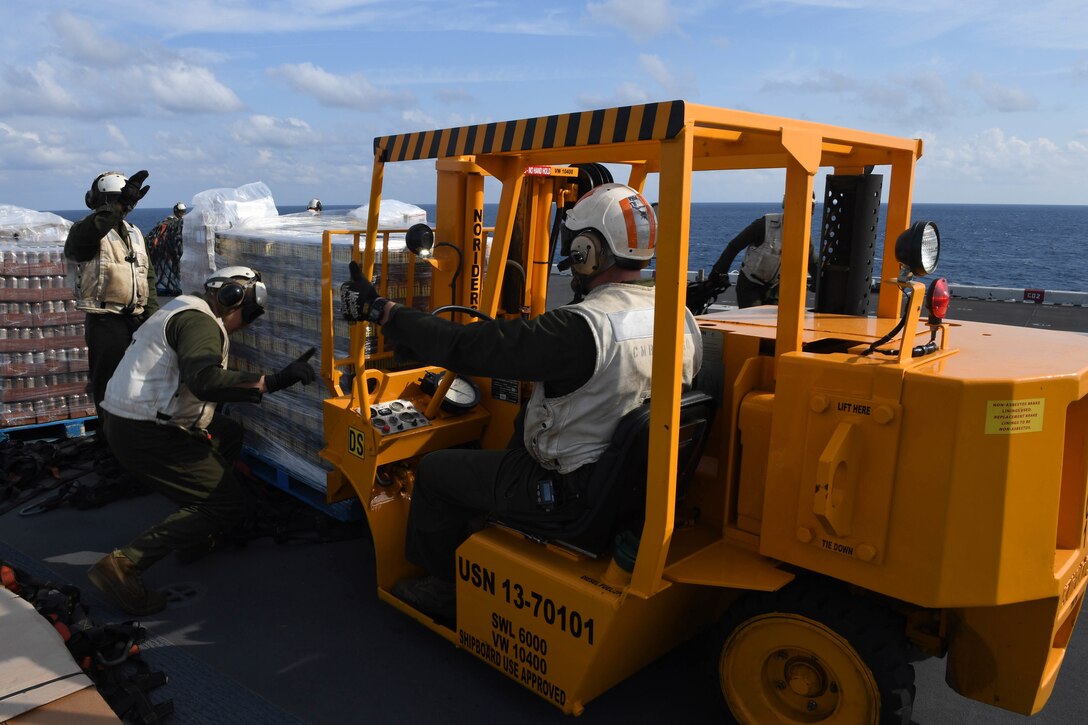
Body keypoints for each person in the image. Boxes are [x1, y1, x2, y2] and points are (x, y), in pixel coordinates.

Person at [340, 183, 703, 622]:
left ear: (588, 250)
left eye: (573, 245)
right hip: (626, 486)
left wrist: (384, 311)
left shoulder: (578, 330)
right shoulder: (679, 317)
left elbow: (466, 345)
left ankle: (442, 589)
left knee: (435, 473)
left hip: (566, 493)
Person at [87, 266, 317, 615]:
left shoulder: (179, 308)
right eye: (250, 315)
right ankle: (123, 565)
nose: (246, 325)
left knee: (228, 433)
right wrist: (273, 380)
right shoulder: (201, 324)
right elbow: (205, 380)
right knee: (226, 504)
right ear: (232, 300)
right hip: (145, 431)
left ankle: (195, 531)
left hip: (129, 421)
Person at [64, 170, 159, 412]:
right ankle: (109, 437)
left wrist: (152, 317)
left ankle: (134, 437)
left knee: (141, 381)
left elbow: (146, 276)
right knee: (108, 384)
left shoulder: (135, 233)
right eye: (123, 202)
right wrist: (116, 206)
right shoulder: (83, 231)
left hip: (136, 318)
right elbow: (89, 235)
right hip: (105, 321)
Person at [694, 194, 817, 310]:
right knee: (753, 320)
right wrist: (718, 273)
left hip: (775, 288)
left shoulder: (803, 235)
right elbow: (734, 246)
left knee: (774, 326)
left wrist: (822, 285)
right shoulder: (765, 224)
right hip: (750, 285)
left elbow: (812, 262)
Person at [146, 202, 189, 296]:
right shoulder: (171, 222)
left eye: (183, 212)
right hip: (166, 253)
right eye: (180, 212)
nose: (182, 214)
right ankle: (169, 288)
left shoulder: (178, 222)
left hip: (171, 252)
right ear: (176, 211)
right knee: (168, 271)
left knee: (171, 271)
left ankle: (171, 287)